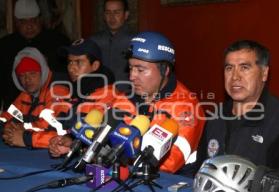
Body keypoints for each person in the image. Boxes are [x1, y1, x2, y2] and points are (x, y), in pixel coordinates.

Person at [49, 31, 206, 174]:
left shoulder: (187, 107)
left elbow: (169, 164)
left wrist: (112, 155)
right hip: (123, 177)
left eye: (140, 69)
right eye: (130, 68)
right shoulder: (125, 97)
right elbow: (104, 134)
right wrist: (75, 144)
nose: (131, 76)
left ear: (165, 70)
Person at [187, 40, 279, 177]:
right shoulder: (214, 116)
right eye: (229, 68)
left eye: (244, 67)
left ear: (264, 73)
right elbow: (199, 172)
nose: (235, 77)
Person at [48, 38, 116, 157]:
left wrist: (72, 142)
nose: (71, 68)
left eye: (78, 62)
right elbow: (57, 128)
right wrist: (61, 141)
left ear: (94, 66)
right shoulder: (72, 92)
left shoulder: (108, 96)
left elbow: (99, 141)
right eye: (70, 62)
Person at [0, 0, 70, 110]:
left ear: (40, 20)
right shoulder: (5, 46)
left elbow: (68, 75)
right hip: (15, 109)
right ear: (16, 23)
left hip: (52, 106)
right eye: (23, 22)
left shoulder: (58, 42)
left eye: (33, 20)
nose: (29, 26)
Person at [0, 47, 69, 148]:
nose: (27, 80)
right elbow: (6, 117)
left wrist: (23, 132)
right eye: (22, 76)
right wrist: (7, 128)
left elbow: (54, 127)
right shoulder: (26, 94)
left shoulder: (58, 90)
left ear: (43, 72)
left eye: (33, 73)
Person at [90, 0, 133, 92]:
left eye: (117, 12)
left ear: (126, 15)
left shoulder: (136, 41)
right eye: (108, 12)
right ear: (104, 16)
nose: (112, 17)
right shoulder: (93, 41)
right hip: (98, 95)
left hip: (127, 97)